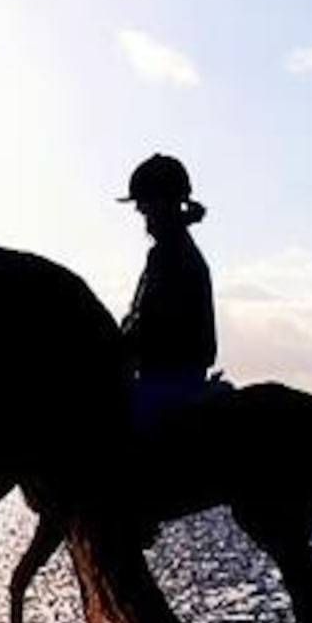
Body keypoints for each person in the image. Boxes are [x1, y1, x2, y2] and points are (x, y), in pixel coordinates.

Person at [118, 153, 218, 431]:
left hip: (169, 380)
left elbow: (150, 325)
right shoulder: (167, 251)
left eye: (144, 204)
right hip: (170, 374)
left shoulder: (172, 256)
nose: (140, 211)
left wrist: (115, 348)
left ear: (163, 203)